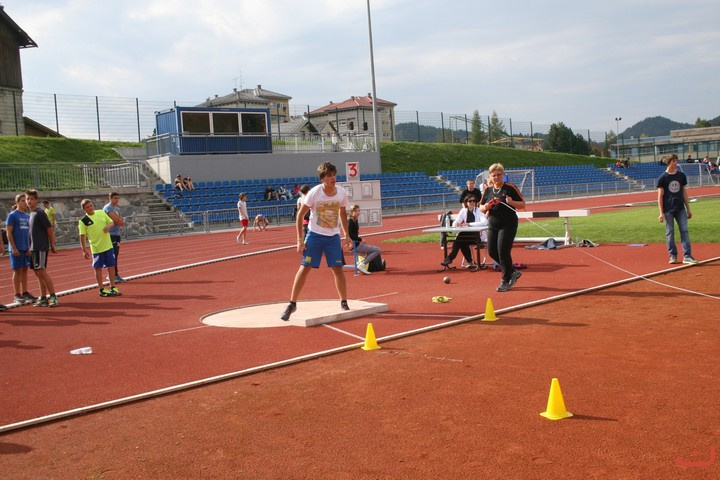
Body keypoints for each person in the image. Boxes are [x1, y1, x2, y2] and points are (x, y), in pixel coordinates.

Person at [281, 162, 351, 321]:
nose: (333, 178)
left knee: (337, 269)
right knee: (305, 268)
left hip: (333, 237)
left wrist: (346, 234)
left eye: (334, 175)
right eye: (329, 176)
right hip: (315, 235)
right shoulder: (314, 193)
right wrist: (299, 239)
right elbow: (300, 216)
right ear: (322, 179)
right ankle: (292, 304)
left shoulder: (341, 193)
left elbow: (342, 213)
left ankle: (344, 302)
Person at [480, 163, 526, 292]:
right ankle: (513, 271)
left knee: (503, 251)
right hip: (493, 224)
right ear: (490, 176)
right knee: (492, 251)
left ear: (503, 175)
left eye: (499, 175)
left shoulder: (510, 188)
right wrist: (486, 207)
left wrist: (511, 202)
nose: (496, 177)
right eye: (494, 175)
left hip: (508, 224)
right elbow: (481, 207)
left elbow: (522, 204)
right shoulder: (488, 190)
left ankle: (505, 279)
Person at [657, 154, 697, 265]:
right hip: (668, 209)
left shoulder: (681, 176)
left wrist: (688, 209)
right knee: (670, 232)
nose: (676, 163)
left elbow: (684, 192)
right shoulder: (662, 178)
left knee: (684, 230)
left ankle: (687, 256)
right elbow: (660, 196)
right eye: (674, 161)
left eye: (676, 161)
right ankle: (673, 255)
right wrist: (661, 213)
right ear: (669, 163)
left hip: (680, 209)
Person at [78, 199, 121, 297]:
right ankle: (101, 289)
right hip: (97, 248)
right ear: (84, 209)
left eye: (91, 206)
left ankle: (112, 286)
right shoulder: (83, 221)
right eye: (87, 207)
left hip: (108, 245)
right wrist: (84, 250)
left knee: (111, 266)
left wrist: (108, 226)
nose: (90, 208)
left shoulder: (101, 213)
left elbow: (111, 222)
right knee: (98, 268)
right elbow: (82, 236)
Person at [26, 189, 59, 307]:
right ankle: (43, 297)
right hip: (33, 247)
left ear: (36, 200)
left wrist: (52, 244)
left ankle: (53, 296)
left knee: (41, 271)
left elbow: (49, 228)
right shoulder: (31, 214)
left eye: (31, 199)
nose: (29, 201)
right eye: (27, 199)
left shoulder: (40, 213)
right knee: (38, 273)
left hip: (40, 246)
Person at [440, 195, 488, 269]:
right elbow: (456, 221)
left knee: (460, 238)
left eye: (474, 201)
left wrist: (469, 224)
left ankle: (451, 258)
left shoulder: (478, 211)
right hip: (467, 236)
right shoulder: (463, 211)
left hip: (478, 236)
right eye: (470, 201)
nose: (472, 202)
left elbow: (485, 222)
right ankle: (465, 261)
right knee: (461, 239)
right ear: (466, 203)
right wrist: (455, 223)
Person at [6, 193, 36, 305]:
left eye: (25, 200)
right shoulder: (12, 215)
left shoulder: (27, 216)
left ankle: (25, 292)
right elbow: (9, 233)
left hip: (25, 248)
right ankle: (17, 294)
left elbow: (29, 234)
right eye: (23, 200)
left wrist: (29, 247)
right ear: (17, 202)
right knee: (17, 271)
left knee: (24, 270)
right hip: (16, 248)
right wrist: (14, 248)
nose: (25, 203)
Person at [348, 204, 382, 275]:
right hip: (355, 245)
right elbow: (350, 234)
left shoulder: (355, 220)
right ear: (352, 212)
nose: (358, 212)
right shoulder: (350, 221)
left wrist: (359, 240)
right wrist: (360, 239)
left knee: (371, 251)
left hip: (356, 244)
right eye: (356, 211)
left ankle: (363, 265)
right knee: (377, 250)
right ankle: (362, 264)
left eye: (359, 210)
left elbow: (354, 234)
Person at [103, 192, 126, 283]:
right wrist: (119, 220)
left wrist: (119, 220)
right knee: (112, 255)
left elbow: (121, 221)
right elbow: (118, 221)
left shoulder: (116, 208)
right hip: (110, 235)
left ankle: (113, 274)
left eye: (118, 198)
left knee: (115, 255)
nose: (117, 200)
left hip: (116, 234)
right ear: (110, 198)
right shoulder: (108, 208)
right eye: (115, 198)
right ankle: (113, 275)